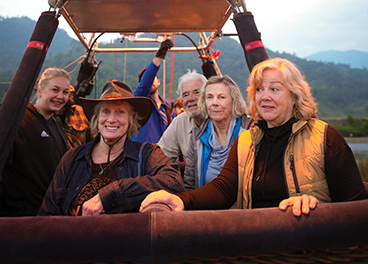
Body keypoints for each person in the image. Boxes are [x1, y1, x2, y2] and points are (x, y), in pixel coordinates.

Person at [140, 58, 367, 216]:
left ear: (295, 94)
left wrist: (316, 206)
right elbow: (223, 189)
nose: (265, 97)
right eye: (259, 90)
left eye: (274, 89)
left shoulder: (325, 138)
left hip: (310, 255)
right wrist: (181, 200)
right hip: (257, 252)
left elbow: (355, 206)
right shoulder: (248, 141)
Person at [39, 79, 184, 216]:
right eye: (106, 111)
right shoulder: (73, 157)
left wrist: (111, 193)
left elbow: (173, 181)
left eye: (120, 112)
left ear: (131, 120)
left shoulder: (147, 153)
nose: (111, 119)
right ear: (97, 118)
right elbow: (48, 211)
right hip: (70, 239)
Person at [1, 68, 72, 216]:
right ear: (39, 91)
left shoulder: (55, 124)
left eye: (65, 92)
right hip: (24, 214)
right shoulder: (20, 119)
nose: (60, 96)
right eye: (55, 90)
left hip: (52, 210)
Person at [183, 75, 250, 190]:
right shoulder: (198, 137)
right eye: (209, 97)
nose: (214, 103)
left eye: (221, 97)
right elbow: (190, 184)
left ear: (234, 101)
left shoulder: (250, 131)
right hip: (206, 205)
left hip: (242, 207)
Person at [158, 70, 207, 163]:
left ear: (208, 94)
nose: (191, 98)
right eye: (185, 95)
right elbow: (160, 156)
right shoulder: (180, 122)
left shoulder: (220, 118)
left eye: (196, 92)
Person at [131, 38, 174, 143]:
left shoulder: (169, 106)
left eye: (152, 78)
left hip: (168, 156)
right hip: (144, 156)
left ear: (159, 82)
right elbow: (145, 85)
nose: (149, 81)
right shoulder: (139, 103)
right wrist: (158, 56)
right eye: (144, 79)